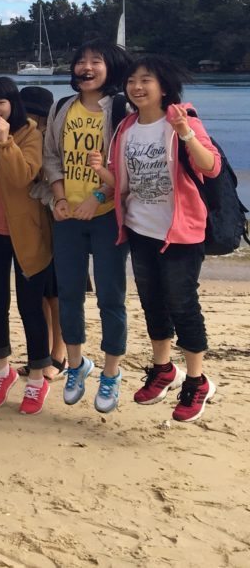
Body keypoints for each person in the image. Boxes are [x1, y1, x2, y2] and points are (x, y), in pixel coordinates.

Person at [92, 56, 220, 422]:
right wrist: (103, 172)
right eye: (132, 80)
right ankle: (162, 369)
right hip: (140, 228)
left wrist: (186, 134)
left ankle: (197, 381)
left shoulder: (182, 119)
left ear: (163, 86)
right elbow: (124, 185)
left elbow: (211, 167)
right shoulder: (127, 127)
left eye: (146, 80)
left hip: (181, 233)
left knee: (183, 304)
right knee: (152, 303)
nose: (137, 87)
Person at [42, 40, 132, 413]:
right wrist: (60, 200)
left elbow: (129, 164)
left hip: (108, 215)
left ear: (111, 67)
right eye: (81, 61)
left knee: (111, 297)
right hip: (66, 218)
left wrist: (97, 198)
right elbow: (51, 158)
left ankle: (111, 373)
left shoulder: (123, 109)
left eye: (96, 61)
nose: (87, 67)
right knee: (70, 294)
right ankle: (77, 365)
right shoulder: (63, 107)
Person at [0, 77, 55, 415]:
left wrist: (5, 142)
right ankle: (1, 372)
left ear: (12, 104)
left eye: (1, 102)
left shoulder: (30, 133)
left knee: (30, 306)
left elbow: (23, 176)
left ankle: (36, 378)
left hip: (28, 233)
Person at [19, 85, 67, 381]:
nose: (33, 122)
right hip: (30, 226)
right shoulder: (20, 137)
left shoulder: (55, 140)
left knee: (57, 293)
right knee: (37, 294)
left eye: (38, 116)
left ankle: (59, 354)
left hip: (59, 223)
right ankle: (43, 353)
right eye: (28, 115)